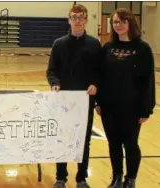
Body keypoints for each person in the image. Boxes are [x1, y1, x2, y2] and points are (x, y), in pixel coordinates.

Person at [95, 8, 156, 188]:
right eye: (115, 22)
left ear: (130, 23)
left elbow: (148, 80)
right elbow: (100, 76)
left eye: (122, 21)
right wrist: (99, 102)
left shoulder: (143, 48)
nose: (118, 25)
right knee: (113, 143)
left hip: (132, 106)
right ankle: (117, 178)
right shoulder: (108, 47)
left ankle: (131, 179)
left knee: (130, 144)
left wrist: (147, 108)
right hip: (109, 105)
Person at [46, 4, 102, 188]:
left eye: (81, 17)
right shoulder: (59, 44)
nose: (78, 21)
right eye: (74, 17)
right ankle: (60, 177)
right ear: (69, 20)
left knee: (83, 141)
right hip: (63, 102)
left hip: (85, 102)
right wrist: (54, 83)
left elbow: (100, 73)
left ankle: (81, 178)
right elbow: (51, 71)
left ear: (86, 20)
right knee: (62, 138)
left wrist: (96, 84)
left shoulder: (95, 45)